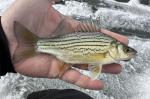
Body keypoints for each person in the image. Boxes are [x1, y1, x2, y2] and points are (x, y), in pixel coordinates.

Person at [0, 0, 128, 99]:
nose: (128, 53)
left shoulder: (106, 54)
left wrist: (4, 43)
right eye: (126, 50)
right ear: (113, 48)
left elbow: (95, 66)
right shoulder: (106, 54)